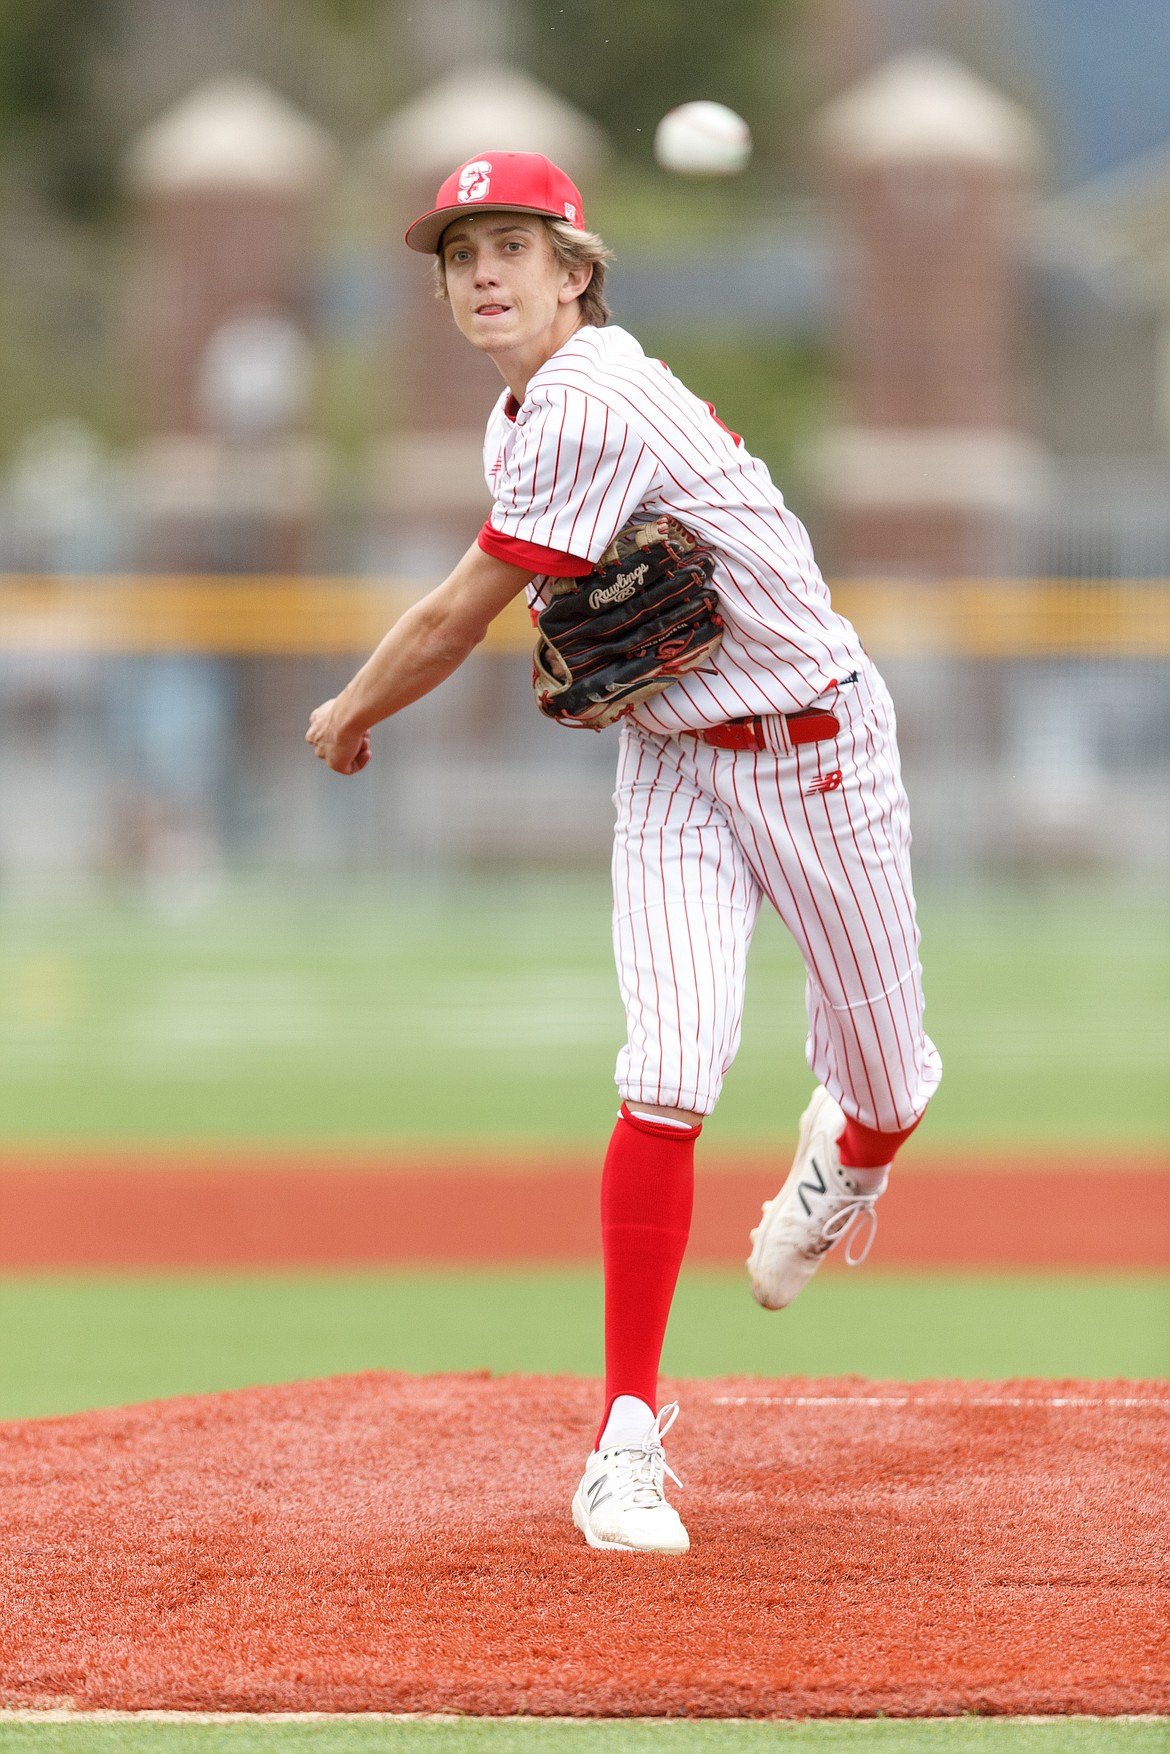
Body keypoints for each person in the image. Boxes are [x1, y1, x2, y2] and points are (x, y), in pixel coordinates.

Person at [307, 151, 941, 1557]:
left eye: (511, 248)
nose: (481, 274)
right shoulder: (528, 410)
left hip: (819, 750)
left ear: (574, 271)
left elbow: (462, 612)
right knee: (664, 1069)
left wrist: (350, 711)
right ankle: (626, 1438)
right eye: (459, 252)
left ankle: (843, 1160)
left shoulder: (588, 398)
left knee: (891, 1080)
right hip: (672, 764)